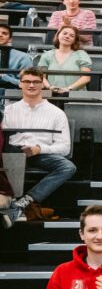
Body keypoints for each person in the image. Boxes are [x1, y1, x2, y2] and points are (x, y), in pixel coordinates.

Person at [4, 68, 76, 221]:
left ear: (42, 84)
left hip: (41, 154)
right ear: (20, 84)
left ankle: (23, 203)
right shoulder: (8, 110)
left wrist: (39, 149)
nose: (31, 85)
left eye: (36, 82)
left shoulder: (57, 113)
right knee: (10, 156)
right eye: (27, 81)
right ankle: (7, 204)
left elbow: (64, 147)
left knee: (68, 167)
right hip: (12, 152)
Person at [35, 24, 92, 93]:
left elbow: (86, 78)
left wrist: (68, 89)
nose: (67, 36)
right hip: (52, 94)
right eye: (65, 33)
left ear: (74, 40)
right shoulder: (47, 55)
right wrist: (49, 87)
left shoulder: (81, 54)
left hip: (75, 95)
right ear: (58, 35)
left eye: (72, 36)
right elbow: (41, 76)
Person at [0, 22, 35, 87]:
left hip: (11, 93)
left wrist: (4, 76)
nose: (0, 35)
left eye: (4, 33)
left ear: (10, 39)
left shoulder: (23, 57)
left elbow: (27, 83)